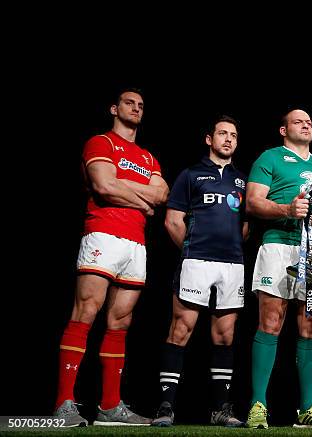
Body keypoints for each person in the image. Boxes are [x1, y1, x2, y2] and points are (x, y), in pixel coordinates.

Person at [54, 88, 169, 426]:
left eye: (141, 105)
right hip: (103, 232)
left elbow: (161, 194)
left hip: (136, 243)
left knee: (121, 322)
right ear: (114, 108)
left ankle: (109, 406)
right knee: (86, 311)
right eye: (129, 103)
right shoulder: (101, 142)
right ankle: (64, 403)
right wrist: (142, 199)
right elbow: (104, 185)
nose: (136, 107)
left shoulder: (148, 157)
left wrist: (130, 191)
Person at [245, 109, 312, 429]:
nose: (306, 124)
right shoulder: (270, 158)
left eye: (309, 121)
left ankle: (308, 407)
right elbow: (253, 202)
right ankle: (258, 405)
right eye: (298, 121)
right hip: (279, 245)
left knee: (311, 328)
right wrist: (287, 209)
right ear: (283, 129)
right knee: (270, 321)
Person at [151, 116, 247, 428]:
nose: (228, 139)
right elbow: (172, 221)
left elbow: (246, 227)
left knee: (225, 336)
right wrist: (193, 250)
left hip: (232, 264)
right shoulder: (191, 175)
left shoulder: (242, 181)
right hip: (196, 262)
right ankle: (166, 406)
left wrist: (226, 247)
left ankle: (220, 409)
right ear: (209, 139)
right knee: (181, 329)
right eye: (222, 133)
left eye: (233, 135)